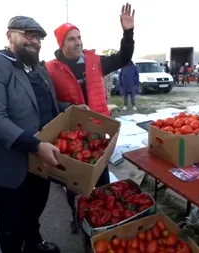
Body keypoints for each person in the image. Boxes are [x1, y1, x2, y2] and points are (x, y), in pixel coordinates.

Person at [0, 16, 68, 253]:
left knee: (34, 208)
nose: (35, 41)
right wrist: (34, 145)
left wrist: (70, 108)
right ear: (10, 35)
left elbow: (47, 105)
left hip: (37, 161)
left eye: (39, 37)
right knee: (10, 220)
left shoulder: (39, 69)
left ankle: (33, 244)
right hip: (7, 162)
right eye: (28, 35)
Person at [45, 3, 135, 233]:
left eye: (79, 37)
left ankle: (103, 222)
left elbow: (123, 57)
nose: (78, 42)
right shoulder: (50, 69)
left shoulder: (95, 62)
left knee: (101, 178)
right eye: (71, 39)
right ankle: (78, 217)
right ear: (61, 44)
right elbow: (49, 101)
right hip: (73, 136)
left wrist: (128, 32)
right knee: (74, 184)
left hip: (98, 132)